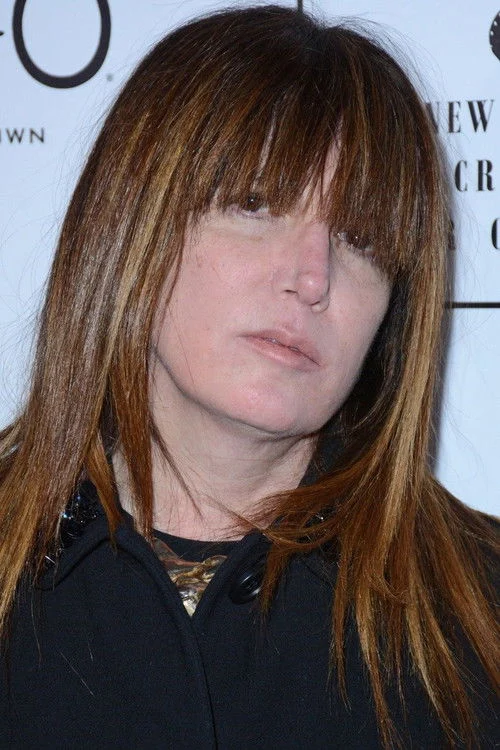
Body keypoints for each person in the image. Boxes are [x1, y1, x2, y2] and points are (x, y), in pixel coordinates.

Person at [0, 5, 498, 748]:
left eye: (360, 239)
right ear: (132, 223)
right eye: (256, 204)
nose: (313, 277)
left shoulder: (484, 611)